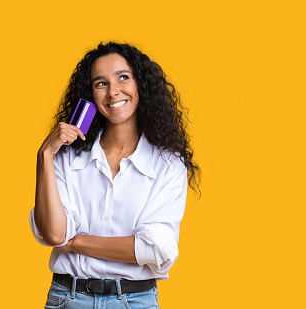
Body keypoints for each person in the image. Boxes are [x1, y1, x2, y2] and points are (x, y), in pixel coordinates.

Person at [29, 42, 200, 309]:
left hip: (135, 301)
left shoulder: (168, 165)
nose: (113, 92)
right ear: (90, 95)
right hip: (68, 299)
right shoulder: (66, 156)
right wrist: (45, 156)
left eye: (123, 77)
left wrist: (74, 243)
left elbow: (154, 250)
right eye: (100, 83)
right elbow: (54, 234)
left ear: (140, 85)